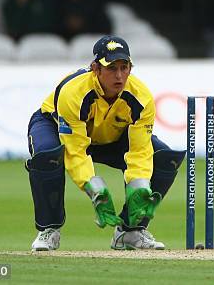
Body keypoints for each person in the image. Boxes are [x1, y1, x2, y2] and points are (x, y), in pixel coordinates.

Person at [26, 35, 185, 251]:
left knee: (164, 158)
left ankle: (130, 232)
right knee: (47, 156)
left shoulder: (141, 97)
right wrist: (95, 190)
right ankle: (49, 230)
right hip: (55, 127)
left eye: (124, 67)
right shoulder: (73, 93)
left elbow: (140, 150)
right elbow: (75, 151)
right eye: (111, 68)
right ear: (95, 69)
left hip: (111, 137)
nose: (119, 76)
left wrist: (139, 187)